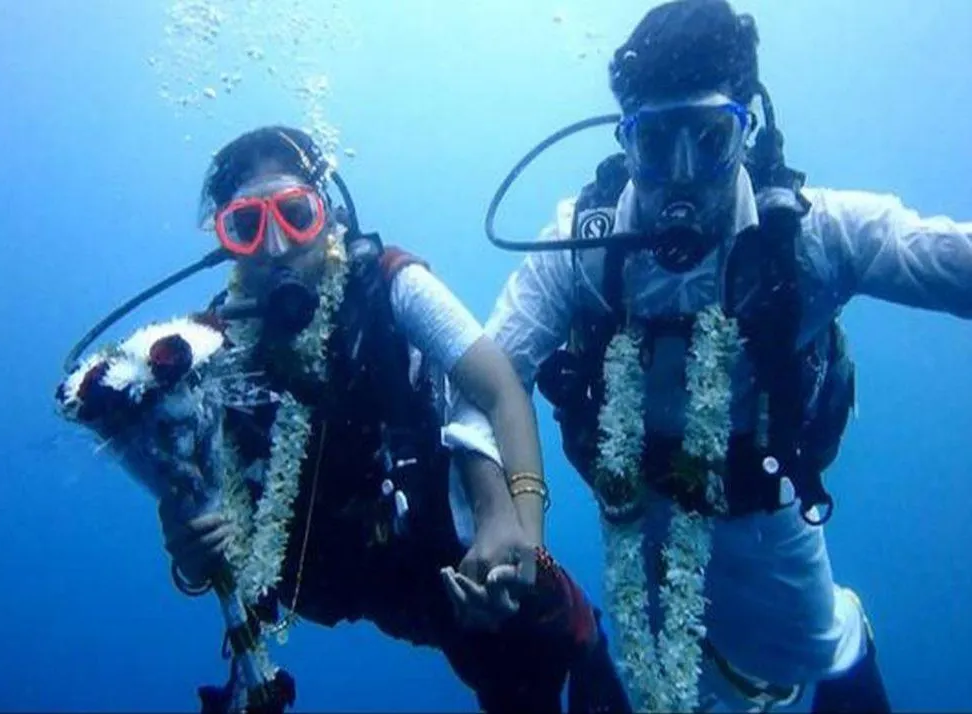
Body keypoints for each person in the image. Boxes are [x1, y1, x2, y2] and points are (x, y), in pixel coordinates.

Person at [482, 0, 971, 711]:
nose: (682, 175)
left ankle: (850, 637)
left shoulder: (808, 237)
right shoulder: (582, 247)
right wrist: (496, 510)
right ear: (626, 142)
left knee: (812, 647)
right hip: (635, 504)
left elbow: (938, 254)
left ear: (748, 130)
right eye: (655, 143)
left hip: (764, 514)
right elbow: (486, 372)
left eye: (711, 138)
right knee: (671, 678)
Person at [156, 125, 631, 714]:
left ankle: (580, 632)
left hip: (443, 551)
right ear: (226, 244)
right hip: (338, 576)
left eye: (295, 214)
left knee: (522, 661)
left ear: (327, 216)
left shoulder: (389, 283)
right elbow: (192, 498)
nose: (276, 248)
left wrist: (526, 537)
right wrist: (188, 558)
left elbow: (499, 384)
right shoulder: (207, 353)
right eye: (247, 226)